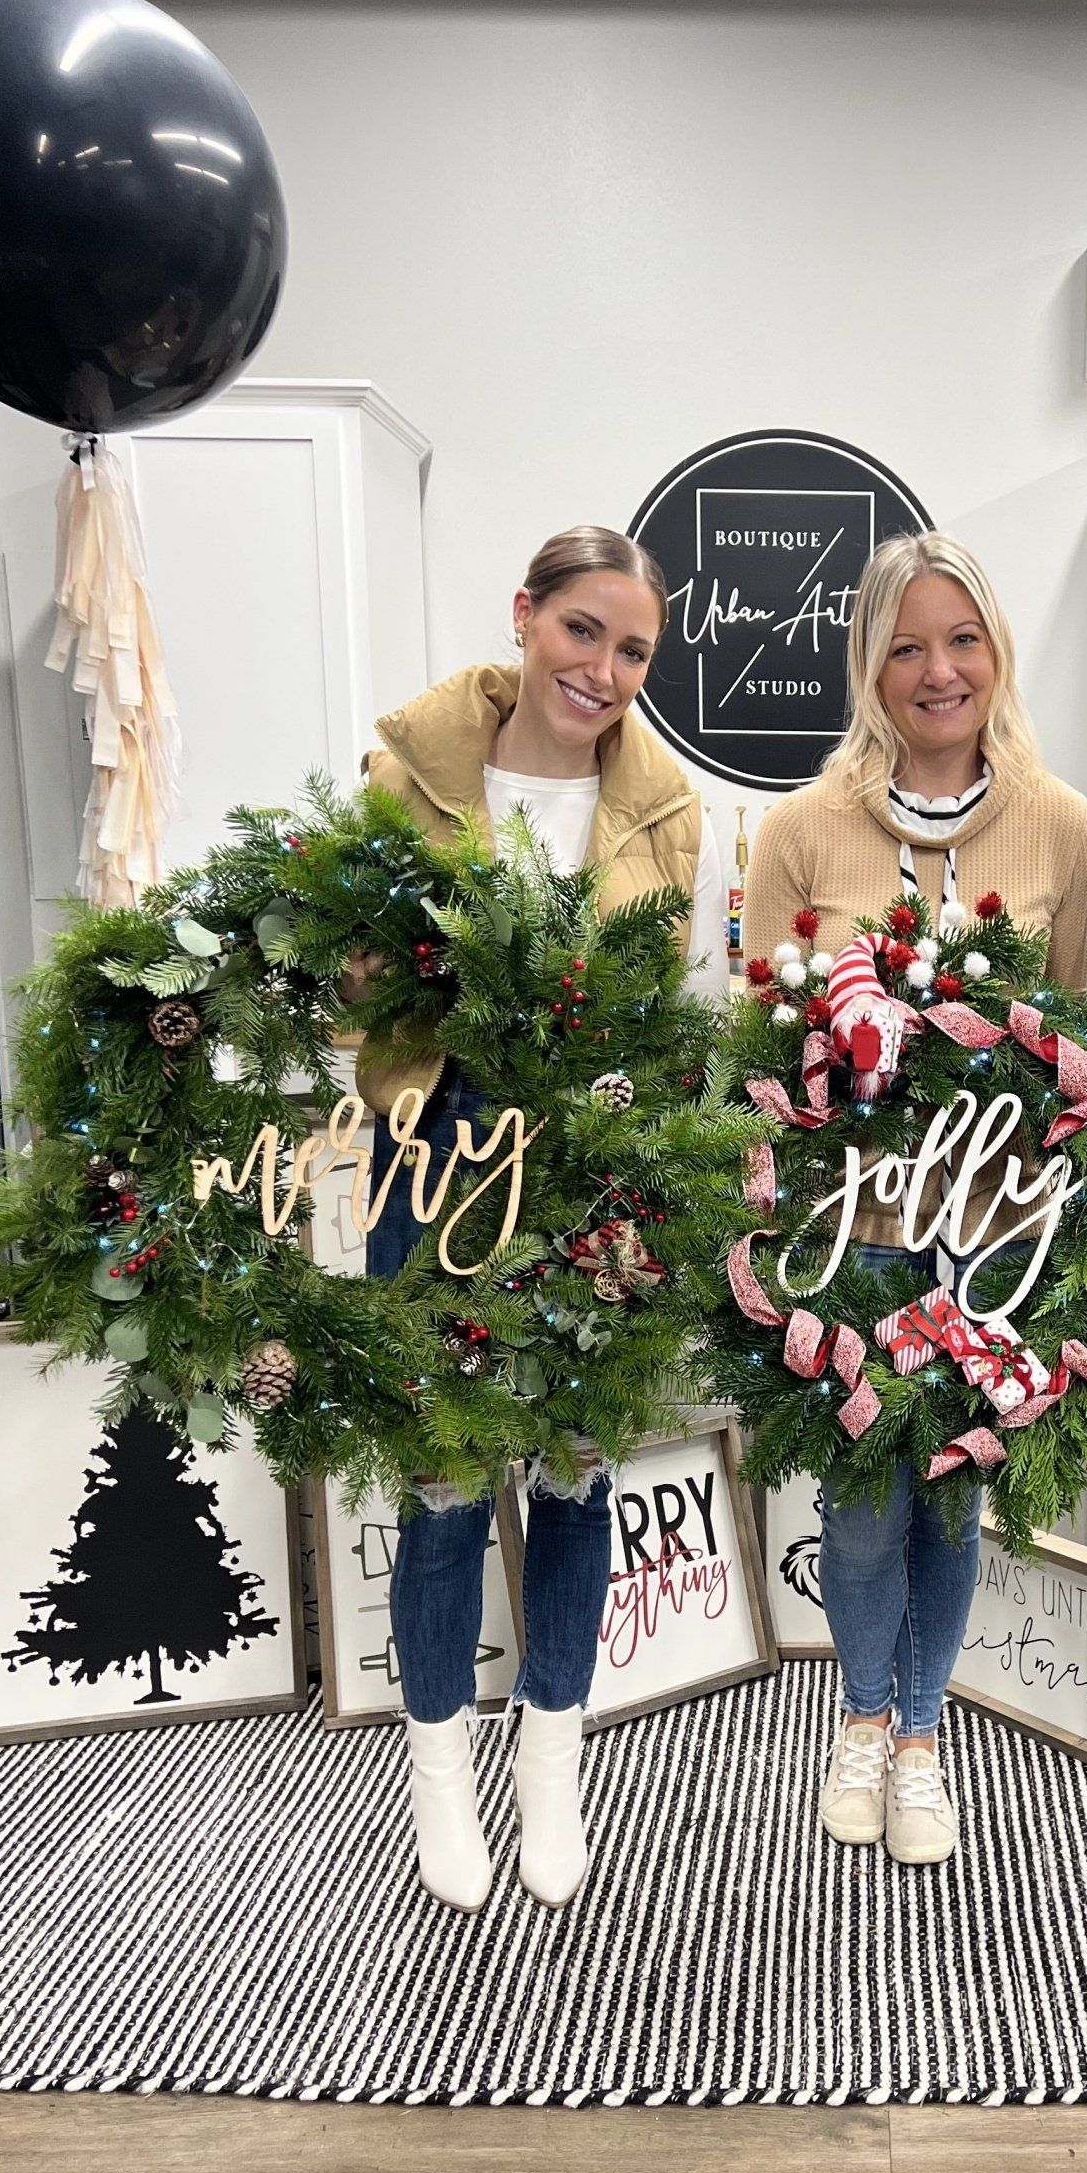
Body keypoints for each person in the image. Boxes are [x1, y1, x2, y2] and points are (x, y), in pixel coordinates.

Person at [345, 523, 728, 1913]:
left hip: (589, 1164)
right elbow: (349, 982)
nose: (603, 670)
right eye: (583, 631)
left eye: (634, 651)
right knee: (444, 1483)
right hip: (432, 1156)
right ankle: (438, 1779)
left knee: (576, 1477)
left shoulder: (668, 811)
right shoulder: (408, 775)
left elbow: (684, 1010)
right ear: (525, 615)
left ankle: (550, 1766)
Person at [744, 531, 1087, 1867]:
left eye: (962, 640)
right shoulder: (800, 831)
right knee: (859, 1506)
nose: (938, 670)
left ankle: (920, 1738)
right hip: (852, 1236)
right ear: (870, 666)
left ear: (996, 653)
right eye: (907, 647)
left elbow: (1083, 1046)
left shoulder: (1063, 825)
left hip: (998, 1237)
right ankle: (856, 1713)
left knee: (953, 1496)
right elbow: (757, 1051)